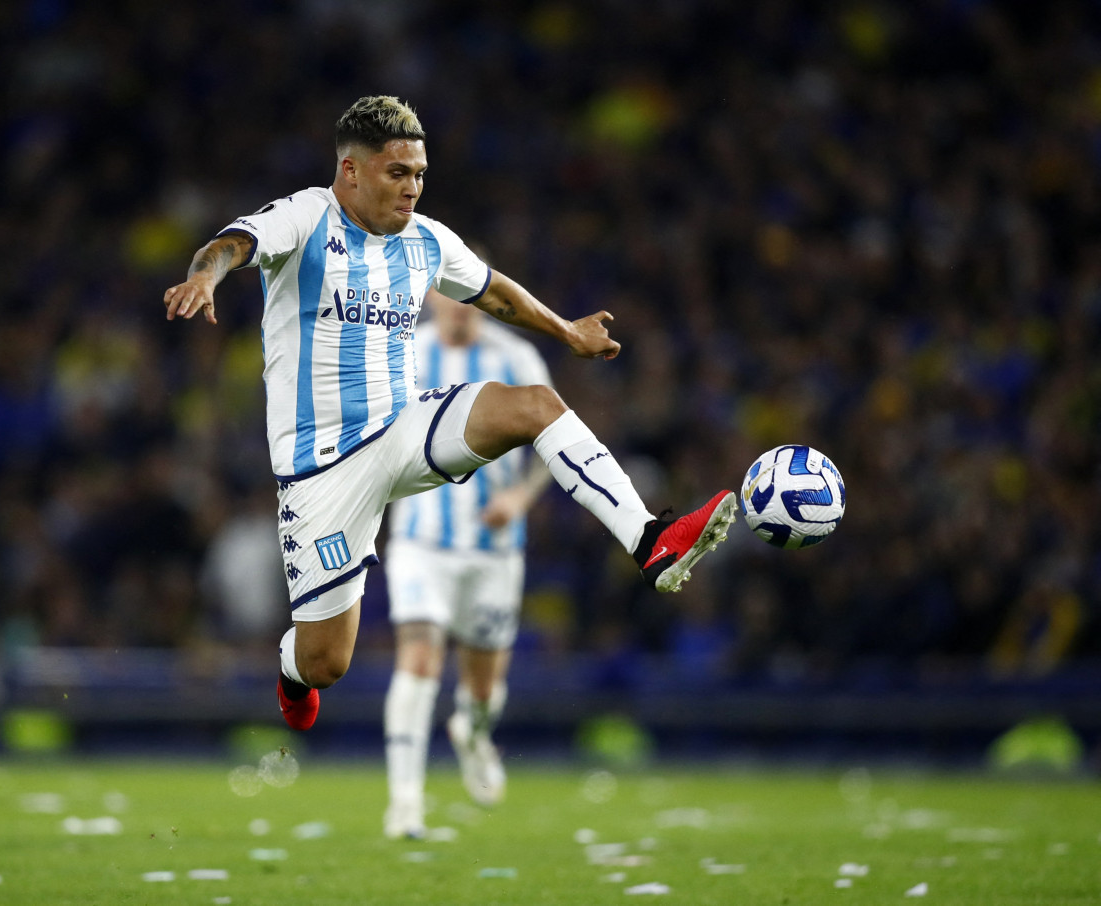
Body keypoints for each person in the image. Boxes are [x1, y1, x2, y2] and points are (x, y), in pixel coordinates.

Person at [162, 95, 736, 736]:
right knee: (327, 661)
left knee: (535, 406)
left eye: (419, 174)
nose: (412, 188)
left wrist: (566, 332)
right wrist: (206, 277)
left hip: (403, 429)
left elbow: (492, 290)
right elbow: (233, 243)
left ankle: (650, 540)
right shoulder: (305, 216)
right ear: (351, 172)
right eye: (397, 173)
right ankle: (291, 673)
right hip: (321, 470)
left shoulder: (427, 240)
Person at [382, 288, 554, 839]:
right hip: (418, 540)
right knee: (418, 661)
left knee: (482, 690)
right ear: (429, 298)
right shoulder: (403, 354)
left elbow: (555, 443)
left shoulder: (516, 360)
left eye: (468, 297)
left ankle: (473, 735)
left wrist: (520, 500)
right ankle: (404, 804)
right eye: (448, 296)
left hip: (493, 550)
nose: (459, 306)